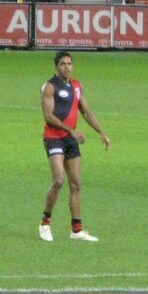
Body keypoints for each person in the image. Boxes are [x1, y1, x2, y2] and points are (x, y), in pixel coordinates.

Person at [39, 51, 111, 242]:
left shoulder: (77, 86)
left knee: (76, 183)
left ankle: (76, 230)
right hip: (54, 138)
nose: (67, 67)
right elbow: (48, 116)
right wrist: (71, 130)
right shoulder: (49, 87)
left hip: (70, 140)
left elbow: (86, 112)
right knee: (58, 180)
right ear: (56, 67)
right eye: (63, 64)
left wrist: (101, 132)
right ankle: (45, 222)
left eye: (69, 64)